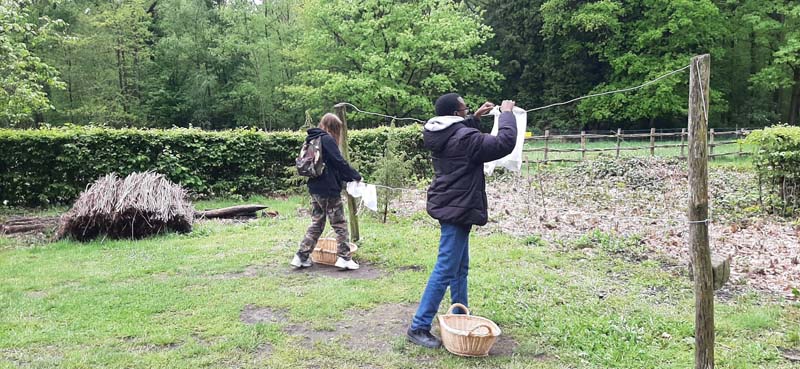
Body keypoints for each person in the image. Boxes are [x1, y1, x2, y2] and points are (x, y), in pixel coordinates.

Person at [406, 93, 517, 348]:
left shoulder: (440, 133)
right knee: (446, 267)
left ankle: (459, 315)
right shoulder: (464, 138)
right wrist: (508, 114)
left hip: (451, 203)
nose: (468, 112)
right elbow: (503, 143)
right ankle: (419, 326)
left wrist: (475, 118)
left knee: (458, 267)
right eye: (465, 110)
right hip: (457, 208)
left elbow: (461, 133)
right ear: (455, 114)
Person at [291, 113, 362, 270]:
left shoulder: (311, 139)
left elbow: (330, 165)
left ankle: (301, 256)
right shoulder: (327, 139)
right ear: (334, 128)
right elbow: (339, 162)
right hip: (328, 189)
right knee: (340, 223)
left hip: (315, 187)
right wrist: (355, 176)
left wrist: (347, 178)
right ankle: (344, 258)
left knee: (317, 222)